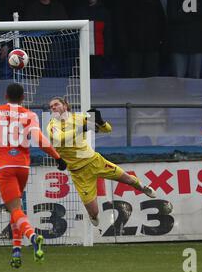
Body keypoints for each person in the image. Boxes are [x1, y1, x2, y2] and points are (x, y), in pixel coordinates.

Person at [0, 83, 67, 268]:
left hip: (3, 166)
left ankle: (32, 237)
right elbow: (39, 139)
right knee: (16, 208)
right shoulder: (30, 115)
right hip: (22, 166)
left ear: (5, 95)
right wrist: (57, 157)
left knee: (15, 209)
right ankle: (16, 251)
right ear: (23, 98)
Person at [47, 97, 157, 227]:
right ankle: (93, 215)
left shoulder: (79, 118)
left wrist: (101, 122)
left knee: (128, 179)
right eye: (51, 106)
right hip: (79, 173)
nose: (53, 107)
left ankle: (143, 188)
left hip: (95, 161)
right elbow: (60, 139)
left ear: (65, 106)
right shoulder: (52, 125)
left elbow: (107, 130)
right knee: (94, 213)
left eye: (56, 104)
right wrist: (82, 128)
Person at [73, 0, 112, 79]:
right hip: (83, 53)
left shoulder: (104, 12)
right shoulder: (79, 11)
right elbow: (74, 34)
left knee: (99, 81)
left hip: (99, 55)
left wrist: (107, 52)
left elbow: (108, 34)